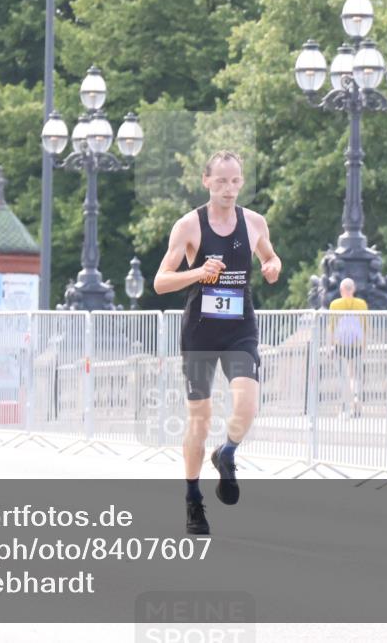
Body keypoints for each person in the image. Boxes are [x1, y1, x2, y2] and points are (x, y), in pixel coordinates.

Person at [153, 150, 282, 535]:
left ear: (242, 182)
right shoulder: (189, 226)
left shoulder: (255, 223)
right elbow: (161, 281)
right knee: (201, 418)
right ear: (206, 181)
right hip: (201, 332)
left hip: (240, 328)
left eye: (235, 180)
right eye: (221, 180)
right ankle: (193, 499)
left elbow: (271, 258)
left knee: (246, 407)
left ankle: (226, 454)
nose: (229, 188)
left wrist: (272, 267)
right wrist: (197, 273)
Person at [328, 278, 368, 416]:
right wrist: (365, 345)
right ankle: (357, 402)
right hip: (357, 345)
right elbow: (365, 326)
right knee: (357, 376)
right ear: (354, 289)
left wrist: (330, 346)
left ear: (341, 290)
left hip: (340, 345)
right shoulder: (362, 304)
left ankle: (345, 405)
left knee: (343, 377)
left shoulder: (335, 304)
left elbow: (332, 327)